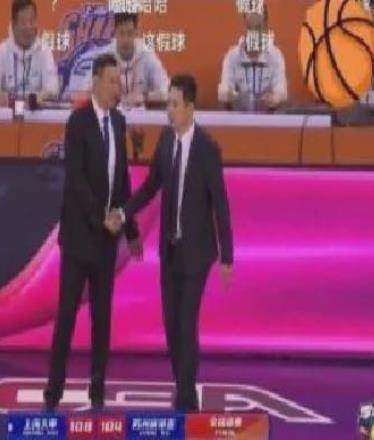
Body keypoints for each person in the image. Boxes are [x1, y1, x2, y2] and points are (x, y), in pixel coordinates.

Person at [108, 74, 234, 412]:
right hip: (170, 251)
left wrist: (227, 256)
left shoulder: (207, 149)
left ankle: (187, 401)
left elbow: (220, 203)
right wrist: (123, 212)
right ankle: (183, 386)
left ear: (190, 108)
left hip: (198, 253)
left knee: (187, 323)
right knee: (172, 327)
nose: (170, 111)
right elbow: (151, 186)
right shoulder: (165, 140)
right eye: (168, 104)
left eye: (175, 105)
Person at [44, 53, 142, 410]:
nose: (119, 88)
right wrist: (100, 216)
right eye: (113, 81)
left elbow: (122, 180)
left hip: (106, 241)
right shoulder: (78, 122)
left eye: (120, 81)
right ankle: (53, 392)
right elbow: (76, 179)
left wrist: (130, 229)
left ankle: (97, 390)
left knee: (102, 320)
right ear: (97, 82)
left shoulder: (118, 122)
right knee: (67, 318)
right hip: (79, 237)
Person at [65, 12, 169, 107]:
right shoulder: (105, 56)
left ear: (137, 32)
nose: (125, 40)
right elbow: (85, 90)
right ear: (114, 32)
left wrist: (144, 97)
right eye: (121, 33)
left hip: (142, 117)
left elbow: (167, 92)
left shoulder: (147, 55)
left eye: (130, 33)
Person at [0, 0, 59, 106]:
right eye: (23, 23)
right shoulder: (2, 50)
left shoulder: (44, 50)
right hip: (7, 115)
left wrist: (34, 99)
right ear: (13, 25)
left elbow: (52, 88)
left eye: (32, 21)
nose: (28, 27)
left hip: (36, 114)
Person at [218, 4, 287, 111]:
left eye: (258, 27)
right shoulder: (232, 56)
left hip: (268, 117)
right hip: (238, 118)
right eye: (250, 27)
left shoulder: (275, 56)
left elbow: (282, 92)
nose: (253, 33)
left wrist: (275, 98)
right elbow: (223, 92)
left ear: (265, 28)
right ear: (244, 27)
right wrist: (232, 95)